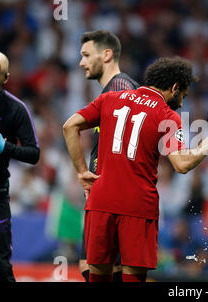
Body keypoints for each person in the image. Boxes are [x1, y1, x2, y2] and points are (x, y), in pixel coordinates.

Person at [63, 57, 208, 282]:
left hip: (100, 201)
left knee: (98, 276)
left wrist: (82, 170)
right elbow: (181, 164)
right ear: (174, 88)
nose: (181, 103)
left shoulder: (109, 98)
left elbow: (69, 126)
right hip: (137, 205)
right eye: (183, 96)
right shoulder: (167, 116)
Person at [77, 30, 140, 282]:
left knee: (102, 267)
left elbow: (127, 147)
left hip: (112, 198)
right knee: (90, 264)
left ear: (106, 55)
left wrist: (104, 179)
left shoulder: (120, 88)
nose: (81, 62)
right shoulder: (110, 92)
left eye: (85, 55)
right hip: (103, 193)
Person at [0, 47, 40, 282]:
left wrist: (5, 149)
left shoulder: (16, 108)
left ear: (5, 78)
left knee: (0, 267)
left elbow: (33, 153)